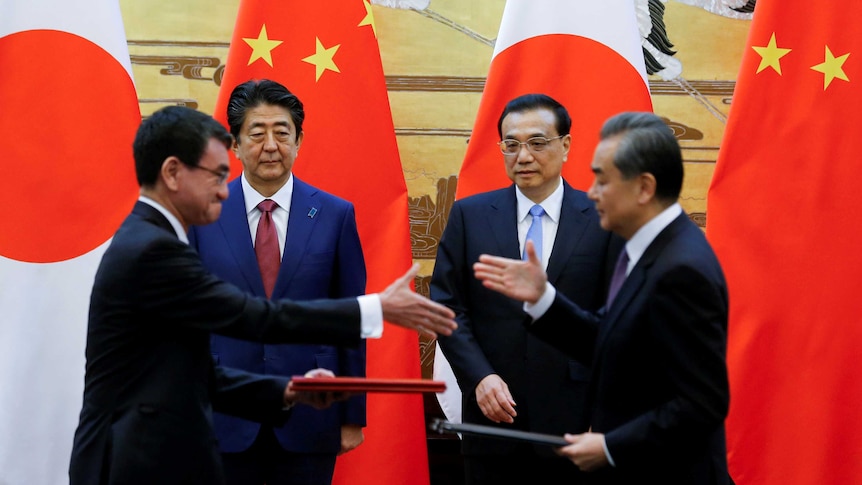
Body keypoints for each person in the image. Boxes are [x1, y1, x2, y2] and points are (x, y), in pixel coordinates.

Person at [68, 105, 456, 485]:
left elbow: (188, 369)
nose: (224, 192)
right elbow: (255, 316)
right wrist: (375, 308)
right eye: (216, 176)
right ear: (172, 172)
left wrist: (286, 391)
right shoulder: (155, 248)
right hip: (130, 458)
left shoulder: (149, 236)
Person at [474, 111, 730, 484]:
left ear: (644, 188)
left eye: (603, 180)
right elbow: (612, 345)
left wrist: (612, 446)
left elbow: (702, 405)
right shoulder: (643, 249)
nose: (591, 192)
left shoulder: (682, 269)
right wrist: (544, 299)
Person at [430, 93, 619, 485]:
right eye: (511, 145)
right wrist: (479, 377)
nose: (524, 156)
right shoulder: (470, 215)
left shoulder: (604, 221)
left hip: (576, 424)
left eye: (537, 142)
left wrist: (604, 421)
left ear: (565, 146)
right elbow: (447, 304)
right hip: (493, 420)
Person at [187, 79, 367, 485]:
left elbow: (350, 320)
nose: (271, 145)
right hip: (223, 415)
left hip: (311, 415)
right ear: (233, 144)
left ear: (299, 140)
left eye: (282, 133)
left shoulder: (335, 215)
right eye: (256, 133)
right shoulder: (201, 214)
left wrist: (352, 414)